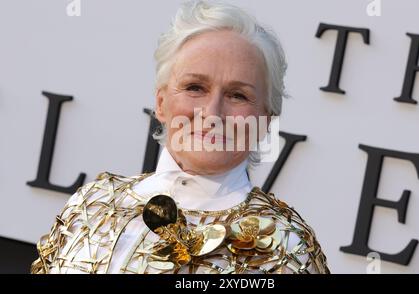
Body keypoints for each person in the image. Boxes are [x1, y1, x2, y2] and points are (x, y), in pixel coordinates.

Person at [31, 0, 330, 274]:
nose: (213, 113)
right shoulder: (92, 203)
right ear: (161, 102)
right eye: (195, 87)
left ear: (265, 121)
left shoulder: (288, 247)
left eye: (238, 95)